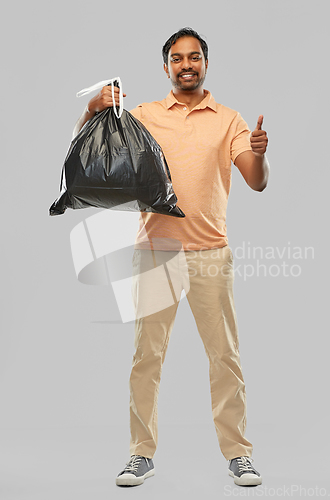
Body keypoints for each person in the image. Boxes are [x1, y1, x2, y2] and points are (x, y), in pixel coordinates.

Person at [73, 27, 269, 488]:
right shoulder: (143, 115)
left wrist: (260, 155)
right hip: (155, 252)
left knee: (225, 357)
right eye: (178, 58)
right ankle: (141, 454)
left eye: (195, 57)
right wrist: (90, 108)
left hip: (210, 255)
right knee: (147, 358)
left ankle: (238, 454)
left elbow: (256, 182)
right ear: (166, 68)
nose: (187, 64)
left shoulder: (228, 119)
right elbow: (88, 154)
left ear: (205, 64)